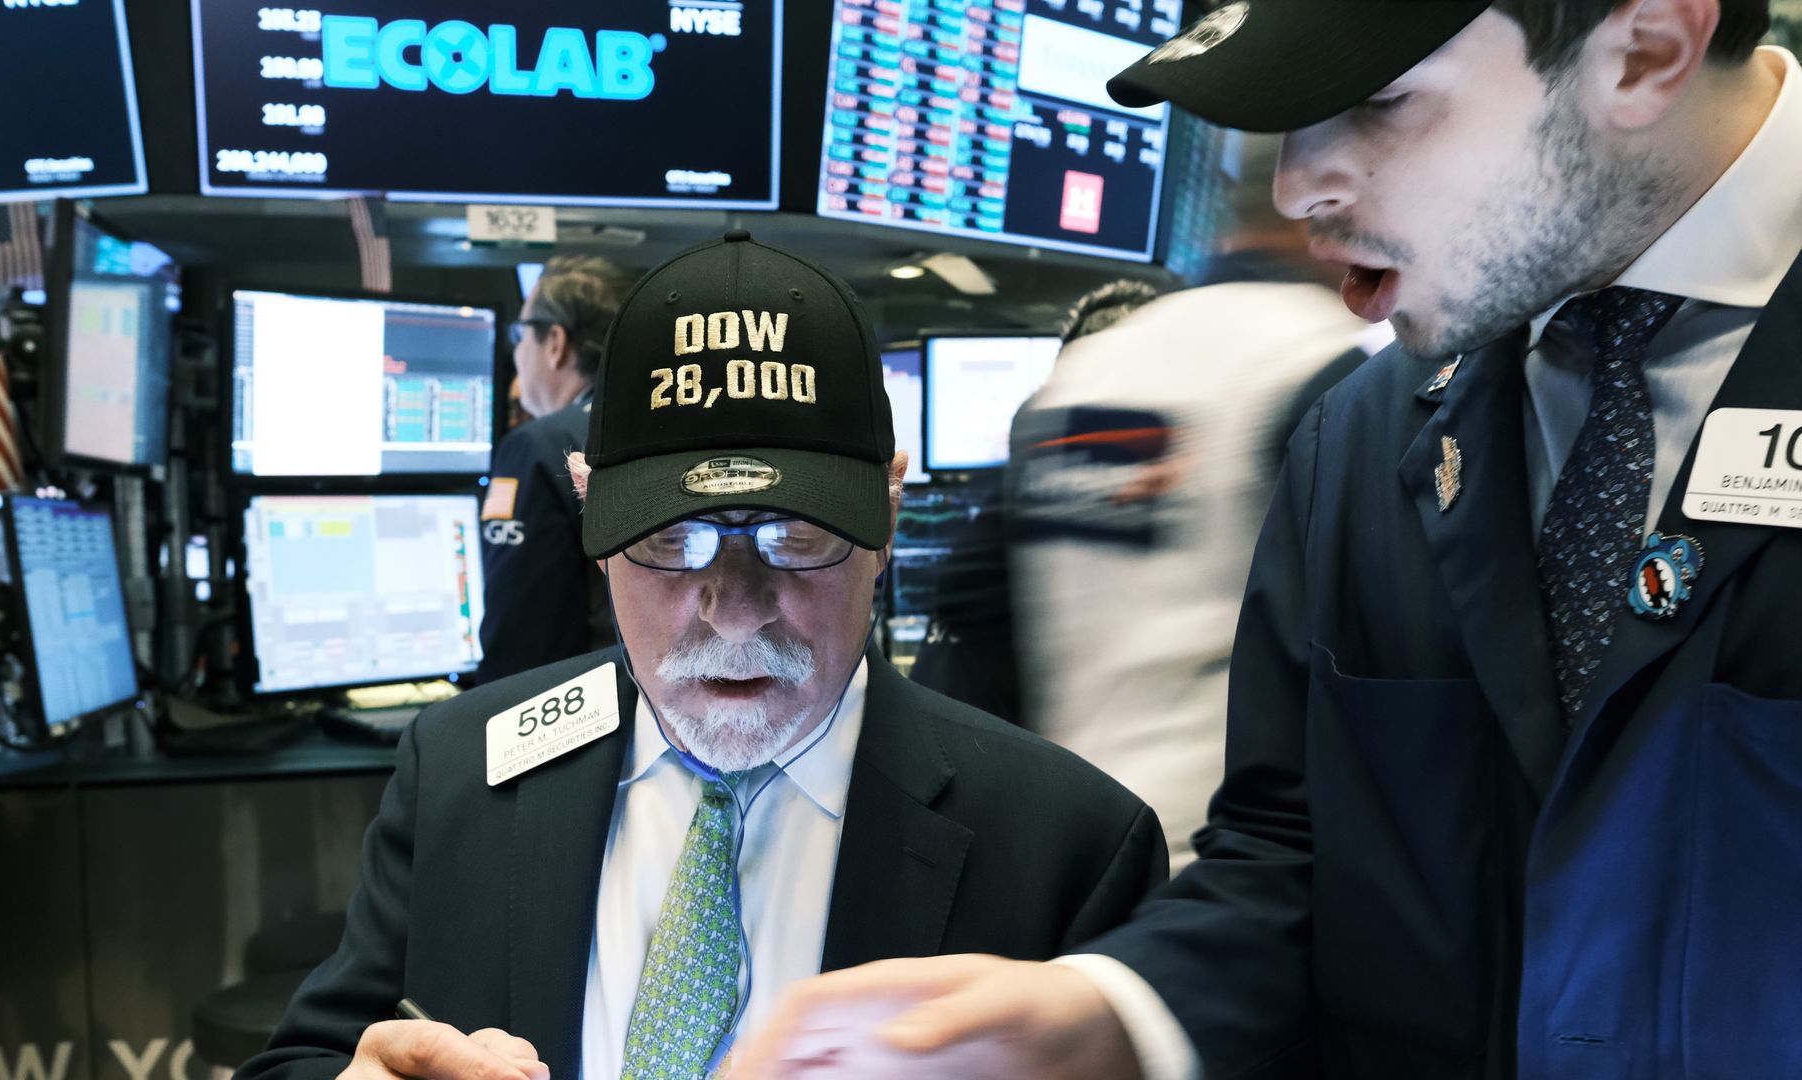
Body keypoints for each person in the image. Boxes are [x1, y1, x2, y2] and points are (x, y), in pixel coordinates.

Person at [734, 2, 1802, 1078]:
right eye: (1291, 125)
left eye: (1382, 101)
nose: (1302, 187)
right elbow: (1297, 857)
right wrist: (1111, 1011)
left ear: (1647, 48)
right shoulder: (1369, 432)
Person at [240, 230, 1166, 1080]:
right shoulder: (460, 771)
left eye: (796, 536)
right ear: (591, 513)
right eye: (671, 538)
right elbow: (307, 1058)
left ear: (885, 513)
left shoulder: (1069, 847)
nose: (733, 615)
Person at [1007, 190, 1382, 874]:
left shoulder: (1076, 376)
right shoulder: (1317, 359)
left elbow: (986, 613)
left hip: (1078, 839)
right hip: (1240, 857)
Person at [477, 255, 632, 684]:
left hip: (574, 720)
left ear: (555, 342)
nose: (517, 352)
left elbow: (522, 644)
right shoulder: (666, 428)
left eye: (521, 334)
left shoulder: (539, 447)